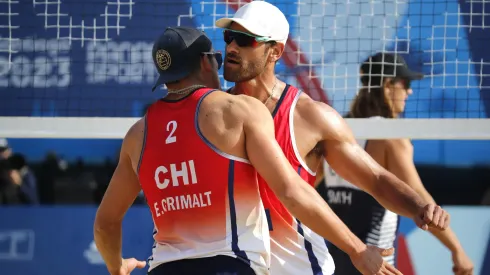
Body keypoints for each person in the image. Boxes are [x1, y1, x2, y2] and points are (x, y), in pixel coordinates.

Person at [93, 27, 406, 275]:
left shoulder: (138, 134)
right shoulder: (238, 110)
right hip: (230, 265)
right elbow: (291, 190)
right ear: (206, 62)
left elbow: (105, 223)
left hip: (164, 268)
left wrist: (116, 266)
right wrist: (357, 250)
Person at [215, 2, 450, 275]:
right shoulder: (213, 110)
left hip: (294, 266)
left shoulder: (309, 116)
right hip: (233, 264)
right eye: (229, 37)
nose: (231, 47)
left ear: (276, 51)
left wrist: (420, 207)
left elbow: (374, 178)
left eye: (245, 40)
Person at [316, 52, 474, 275]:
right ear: (388, 84)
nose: (409, 91)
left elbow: (306, 187)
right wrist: (456, 249)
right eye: (406, 83)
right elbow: (419, 199)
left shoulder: (337, 130)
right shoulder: (390, 137)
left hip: (337, 260)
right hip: (376, 263)